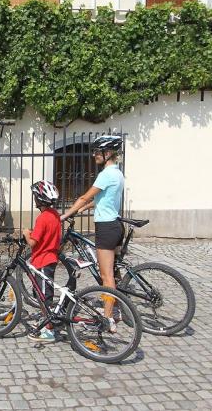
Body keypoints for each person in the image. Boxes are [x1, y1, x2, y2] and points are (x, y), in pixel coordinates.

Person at [60, 134, 125, 332]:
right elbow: (102, 199)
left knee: (107, 278)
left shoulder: (105, 174)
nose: (94, 154)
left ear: (108, 153)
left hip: (105, 228)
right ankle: (119, 309)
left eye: (98, 151)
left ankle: (108, 319)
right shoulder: (117, 173)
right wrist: (84, 208)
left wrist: (65, 215)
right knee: (114, 272)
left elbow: (84, 195)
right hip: (115, 225)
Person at [22, 180, 61, 343]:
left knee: (44, 297)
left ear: (39, 199)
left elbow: (32, 242)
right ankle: (47, 320)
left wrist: (26, 233)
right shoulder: (54, 215)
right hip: (51, 257)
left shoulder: (42, 218)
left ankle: (49, 330)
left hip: (43, 260)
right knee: (41, 292)